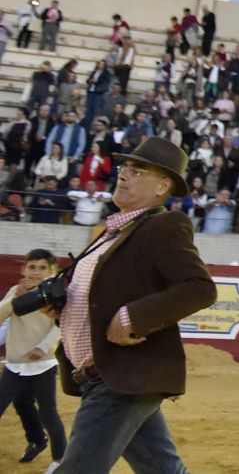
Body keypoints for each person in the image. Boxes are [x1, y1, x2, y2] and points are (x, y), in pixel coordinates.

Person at [53, 137, 217, 473]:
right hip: (116, 374)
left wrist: (133, 317)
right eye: (125, 168)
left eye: (138, 170)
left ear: (162, 187)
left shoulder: (164, 225)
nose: (124, 175)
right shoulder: (114, 231)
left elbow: (200, 288)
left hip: (120, 375)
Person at [0, 249, 67, 468]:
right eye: (32, 267)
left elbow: (59, 327)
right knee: (21, 403)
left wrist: (42, 347)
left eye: (42, 268)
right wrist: (15, 297)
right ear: (23, 269)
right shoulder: (15, 291)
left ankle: (60, 461)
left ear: (52, 271)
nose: (36, 273)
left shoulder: (55, 293)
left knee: (49, 414)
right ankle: (38, 441)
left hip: (43, 365)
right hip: (16, 364)